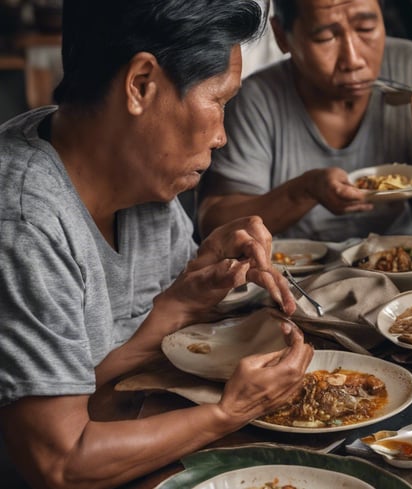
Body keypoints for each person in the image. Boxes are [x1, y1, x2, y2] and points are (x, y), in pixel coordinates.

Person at [0, 1, 315, 488]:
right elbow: (60, 462)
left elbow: (85, 373)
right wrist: (231, 411)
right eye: (218, 100)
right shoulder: (23, 222)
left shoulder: (135, 165)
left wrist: (181, 302)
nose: (221, 136)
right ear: (141, 84)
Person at [196, 0, 412, 242]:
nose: (353, 60)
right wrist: (306, 190)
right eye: (325, 38)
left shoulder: (411, 65)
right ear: (282, 36)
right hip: (297, 275)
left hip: (405, 261)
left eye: (366, 29)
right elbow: (214, 225)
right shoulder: (257, 99)